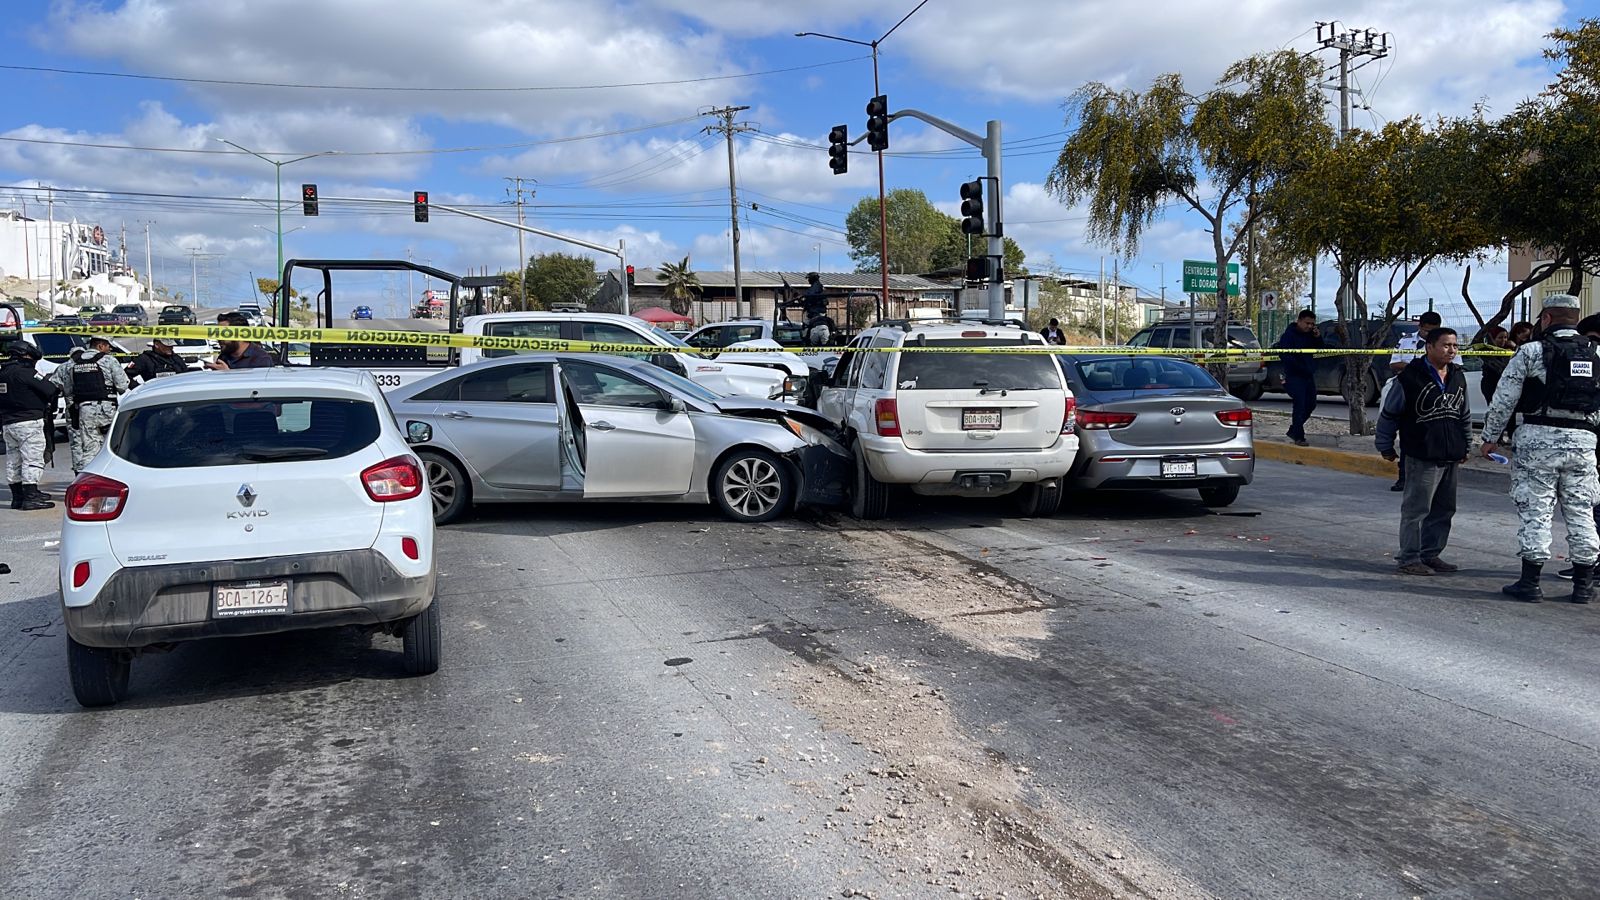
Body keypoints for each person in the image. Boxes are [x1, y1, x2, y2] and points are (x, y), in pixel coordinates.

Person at [1481, 295, 1600, 603]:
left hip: (1537, 442)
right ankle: (1584, 586)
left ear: (1546, 319)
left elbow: (1504, 398)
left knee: (1536, 510)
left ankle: (1530, 583)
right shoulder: (1596, 352)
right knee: (1581, 511)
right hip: (1583, 444)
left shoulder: (1531, 351)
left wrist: (1490, 438)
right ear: (1576, 318)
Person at [1376, 327, 1470, 576]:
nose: (1452, 350)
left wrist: (1465, 444)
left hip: (1450, 454)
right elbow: (1389, 415)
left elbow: (1464, 415)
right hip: (1421, 455)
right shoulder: (1409, 378)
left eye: (1455, 346)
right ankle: (1409, 558)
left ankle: (1431, 553)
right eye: (1446, 345)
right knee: (1416, 510)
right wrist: (1384, 445)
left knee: (1444, 509)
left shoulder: (1457, 376)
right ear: (1429, 347)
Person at [52, 335, 129, 474]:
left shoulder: (72, 364)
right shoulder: (109, 360)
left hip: (84, 410)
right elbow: (122, 386)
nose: (109, 349)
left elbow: (68, 390)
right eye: (108, 346)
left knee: (89, 447)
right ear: (100, 346)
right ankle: (114, 476)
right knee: (113, 445)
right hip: (107, 409)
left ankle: (87, 478)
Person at [0, 342, 61, 510]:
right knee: (32, 459)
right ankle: (31, 496)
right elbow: (50, 389)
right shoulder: (26, 373)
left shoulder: (3, 372)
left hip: (8, 423)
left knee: (13, 460)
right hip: (28, 422)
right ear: (26, 356)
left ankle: (17, 497)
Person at [1386, 311, 1443, 491]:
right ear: (1420, 327)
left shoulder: (1445, 343)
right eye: (1427, 331)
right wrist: (1419, 368)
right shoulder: (1406, 341)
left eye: (1434, 331)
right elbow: (1394, 364)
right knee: (1407, 437)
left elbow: (1455, 365)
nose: (1429, 335)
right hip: (1410, 393)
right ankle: (1403, 477)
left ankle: (1433, 481)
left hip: (1435, 396)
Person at [1274, 309, 1323, 446]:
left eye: (1312, 324)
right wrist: (1300, 368)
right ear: (1299, 321)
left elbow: (1320, 348)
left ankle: (1294, 430)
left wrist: (1317, 337)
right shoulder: (1289, 336)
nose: (1309, 326)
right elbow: (1285, 356)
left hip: (1308, 375)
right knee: (1299, 405)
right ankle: (1299, 437)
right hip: (1294, 375)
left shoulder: (1310, 335)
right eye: (1307, 323)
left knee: (1311, 404)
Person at [204, 312, 274, 369]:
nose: (219, 339)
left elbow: (258, 385)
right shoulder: (224, 356)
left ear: (238, 334)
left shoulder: (261, 359)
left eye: (223, 334)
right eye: (218, 334)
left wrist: (227, 374)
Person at [126, 337, 191, 385]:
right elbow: (124, 376)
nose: (171, 348)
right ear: (157, 345)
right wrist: (138, 389)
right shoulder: (144, 359)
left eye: (171, 345)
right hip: (155, 395)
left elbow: (186, 375)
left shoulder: (175, 358)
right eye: (167, 346)